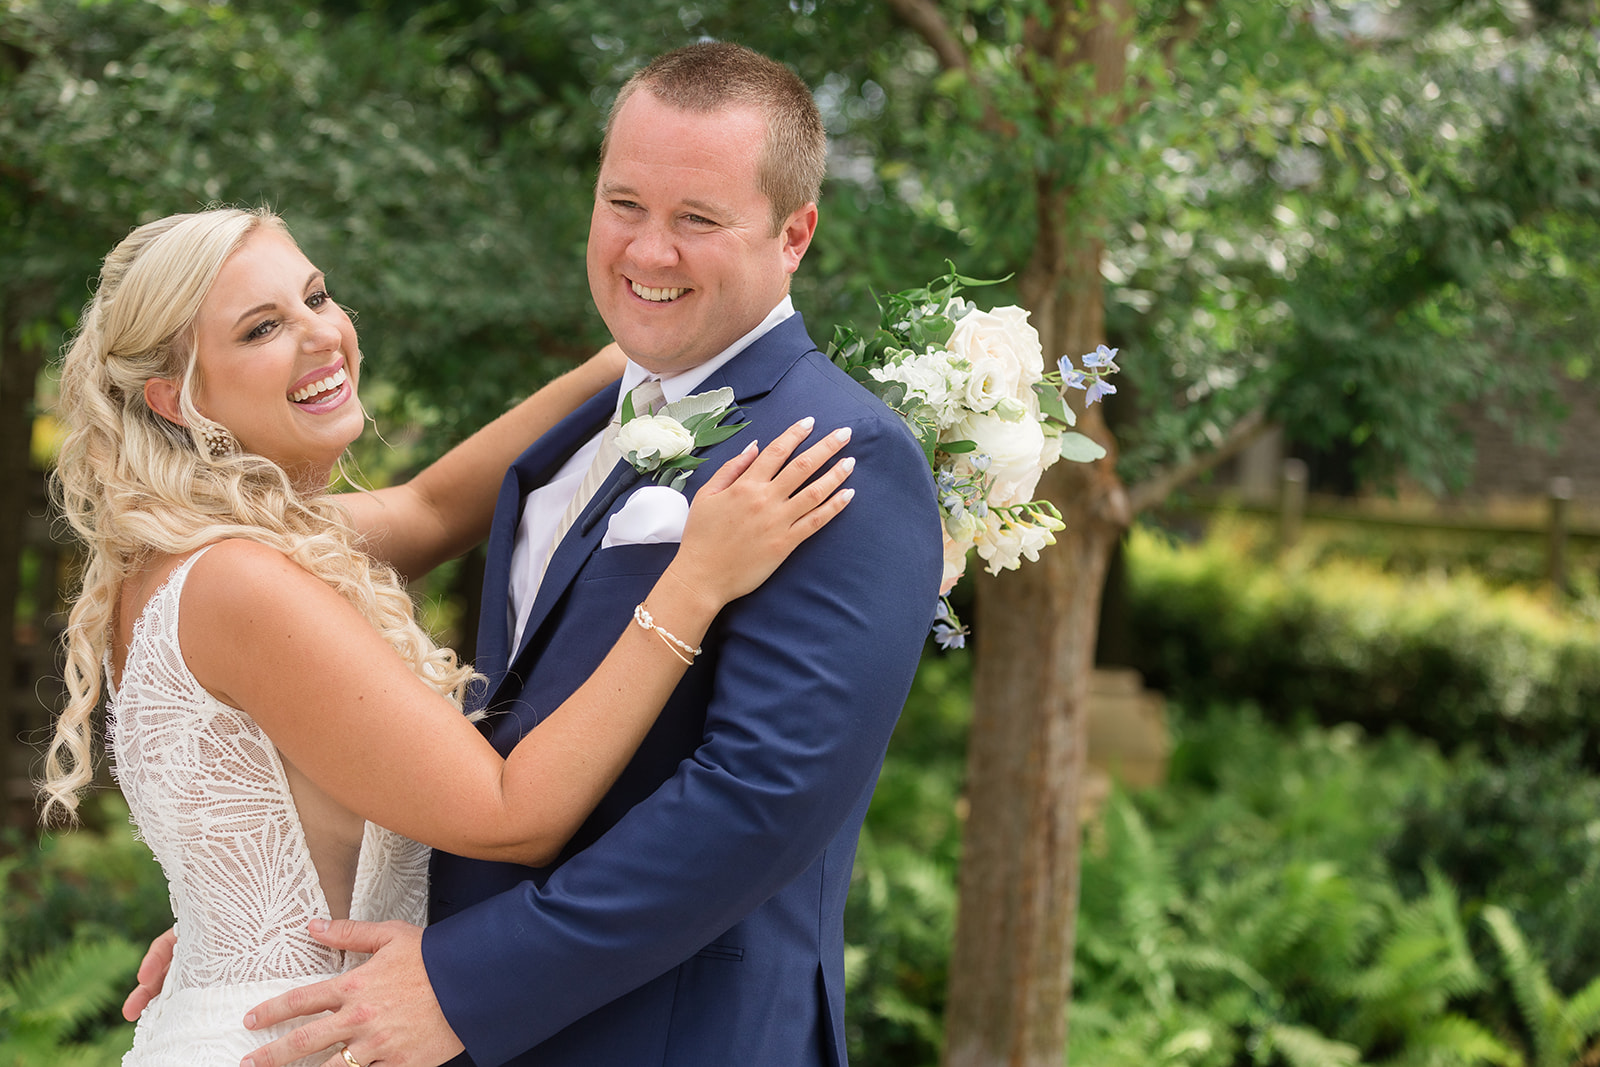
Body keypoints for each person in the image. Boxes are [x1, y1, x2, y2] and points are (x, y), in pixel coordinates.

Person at [226, 42, 945, 1067]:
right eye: (624, 205)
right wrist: (259, 925)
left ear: (795, 234)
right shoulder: (584, 421)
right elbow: (496, 732)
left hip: (678, 1033)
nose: (648, 252)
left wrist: (467, 982)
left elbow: (757, 798)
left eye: (698, 219)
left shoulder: (839, 451)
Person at [43, 205, 856, 1066]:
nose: (321, 335)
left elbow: (429, 506)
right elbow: (512, 814)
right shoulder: (241, 580)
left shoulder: (214, 550)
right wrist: (693, 583)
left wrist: (656, 347)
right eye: (262, 328)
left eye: (317, 296)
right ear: (176, 396)